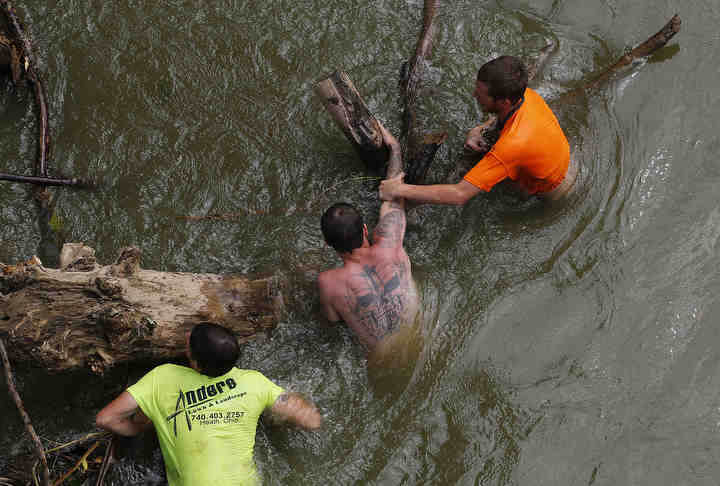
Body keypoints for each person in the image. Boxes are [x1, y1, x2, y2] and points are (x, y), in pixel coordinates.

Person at [95, 323, 322, 486]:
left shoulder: (162, 378)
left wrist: (142, 427)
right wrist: (277, 418)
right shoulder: (254, 382)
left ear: (195, 363)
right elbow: (311, 421)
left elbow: (106, 419)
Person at [380, 55, 575, 205]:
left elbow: (459, 194)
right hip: (556, 160)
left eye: (481, 94)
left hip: (552, 188)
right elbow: (503, 119)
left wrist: (398, 189)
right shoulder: (525, 96)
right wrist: (477, 130)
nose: (474, 95)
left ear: (504, 101)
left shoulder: (510, 148)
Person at [318, 123, 419, 355]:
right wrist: (394, 149)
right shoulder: (391, 242)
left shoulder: (328, 283)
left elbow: (332, 320)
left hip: (384, 357)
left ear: (328, 244)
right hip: (418, 333)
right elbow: (394, 194)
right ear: (365, 229)